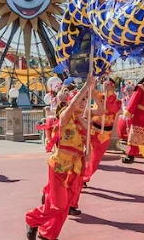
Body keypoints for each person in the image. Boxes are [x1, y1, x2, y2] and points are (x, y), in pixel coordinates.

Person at [26, 78, 98, 240]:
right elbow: (72, 106)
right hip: (59, 166)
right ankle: (32, 219)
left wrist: (86, 153)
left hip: (75, 169)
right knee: (58, 205)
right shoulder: (65, 117)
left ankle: (48, 234)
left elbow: (87, 144)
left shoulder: (84, 123)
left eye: (86, 101)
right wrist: (86, 86)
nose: (83, 103)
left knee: (64, 207)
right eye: (80, 100)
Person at [84, 77, 122, 186]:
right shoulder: (100, 96)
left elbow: (110, 109)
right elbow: (89, 91)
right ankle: (80, 176)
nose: (105, 85)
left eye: (108, 83)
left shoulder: (117, 102)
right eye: (104, 83)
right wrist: (92, 84)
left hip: (104, 134)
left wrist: (105, 95)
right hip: (92, 130)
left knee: (95, 158)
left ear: (113, 86)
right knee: (86, 154)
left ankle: (85, 177)